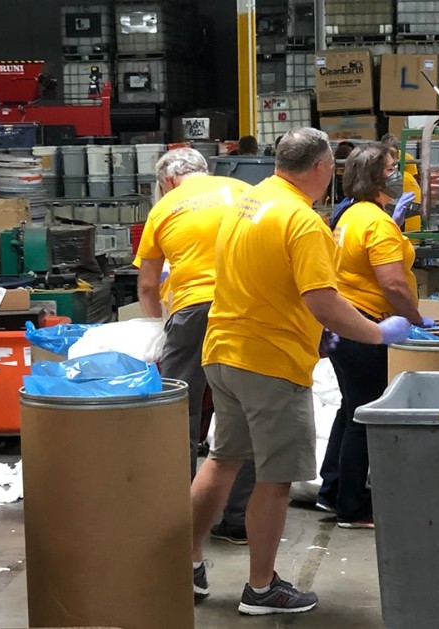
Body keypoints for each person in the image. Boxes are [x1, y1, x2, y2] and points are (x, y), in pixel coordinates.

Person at [191, 127, 412, 614]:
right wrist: (378, 333)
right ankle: (261, 587)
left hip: (224, 351)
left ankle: (184, 565)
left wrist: (317, 331)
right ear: (320, 167)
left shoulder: (247, 204)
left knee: (222, 459)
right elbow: (324, 301)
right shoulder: (302, 220)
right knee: (275, 478)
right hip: (270, 362)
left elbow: (267, 279)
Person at [133, 147, 257, 545]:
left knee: (179, 413)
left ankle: (178, 515)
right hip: (247, 308)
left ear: (169, 180)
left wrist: (159, 327)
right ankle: (238, 519)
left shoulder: (164, 208)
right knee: (245, 411)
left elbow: (148, 286)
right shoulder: (244, 191)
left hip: (193, 312)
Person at [317, 144, 432, 529]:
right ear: (375, 177)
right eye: (392, 168)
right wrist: (416, 319)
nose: (400, 174)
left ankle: (332, 489)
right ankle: (352, 506)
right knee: (364, 415)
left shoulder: (351, 214)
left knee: (350, 407)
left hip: (343, 324)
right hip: (368, 326)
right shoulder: (376, 223)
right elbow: (393, 284)